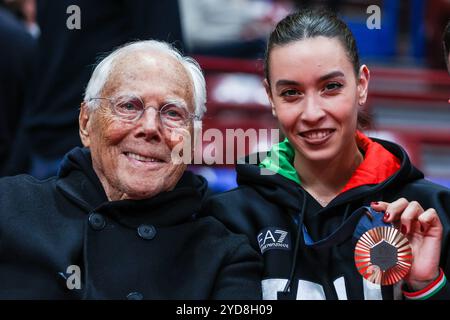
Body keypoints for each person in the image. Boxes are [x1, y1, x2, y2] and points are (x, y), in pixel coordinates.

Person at [203, 9, 450, 300]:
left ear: (361, 85)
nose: (312, 113)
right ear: (270, 98)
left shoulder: (432, 214)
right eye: (291, 93)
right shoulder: (230, 217)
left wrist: (426, 287)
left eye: (331, 87)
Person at [0, 40, 262, 299]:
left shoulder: (225, 258)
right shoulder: (9, 205)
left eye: (172, 114)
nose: (150, 127)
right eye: (128, 106)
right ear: (85, 123)